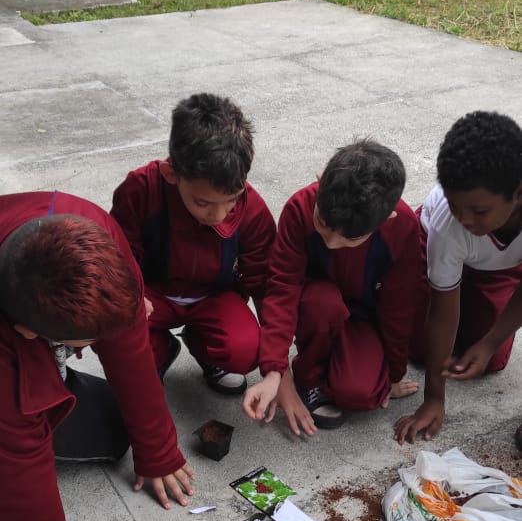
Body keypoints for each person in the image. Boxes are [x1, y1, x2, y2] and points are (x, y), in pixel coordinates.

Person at [0, 190, 195, 521]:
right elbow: (18, 467)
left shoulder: (91, 228)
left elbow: (129, 341)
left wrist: (157, 449)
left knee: (114, 431)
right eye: (83, 343)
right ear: (29, 332)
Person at [243, 139, 420, 435]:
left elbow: (399, 307)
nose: (332, 243)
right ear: (320, 180)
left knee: (361, 394)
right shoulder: (299, 208)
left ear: (386, 219)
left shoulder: (402, 226)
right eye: (323, 224)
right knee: (322, 302)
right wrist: (275, 370)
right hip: (317, 308)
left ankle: (344, 368)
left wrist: (392, 373)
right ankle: (310, 378)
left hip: (364, 318)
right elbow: (282, 290)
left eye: (350, 239)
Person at [111, 92, 276, 391]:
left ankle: (206, 350)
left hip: (214, 298)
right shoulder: (140, 189)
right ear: (171, 174)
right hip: (152, 296)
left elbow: (264, 283)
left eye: (231, 200)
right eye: (203, 202)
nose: (218, 215)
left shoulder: (252, 208)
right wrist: (131, 296)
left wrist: (275, 367)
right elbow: (120, 257)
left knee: (246, 348)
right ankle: (160, 350)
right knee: (117, 331)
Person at [395, 110, 522, 446]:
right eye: (454, 205)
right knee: (421, 350)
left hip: (499, 267)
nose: (464, 219)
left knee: (488, 361)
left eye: (479, 211)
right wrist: (434, 398)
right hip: (433, 249)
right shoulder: (447, 225)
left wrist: (490, 342)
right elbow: (442, 309)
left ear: (518, 194)